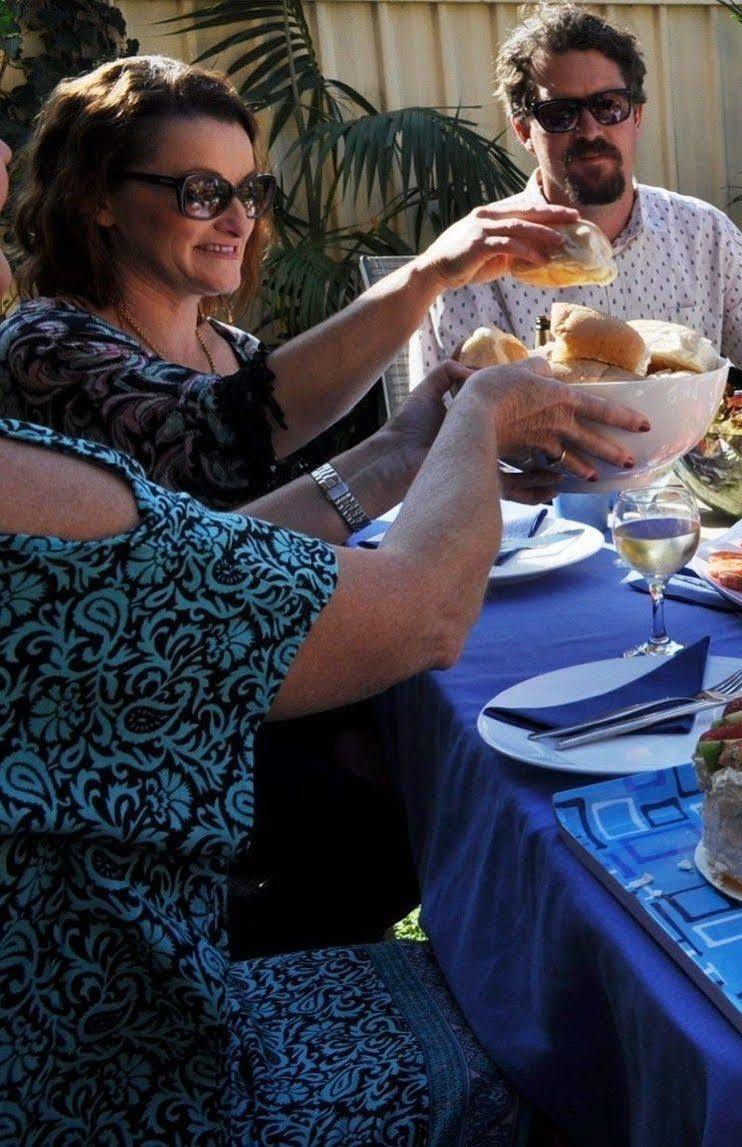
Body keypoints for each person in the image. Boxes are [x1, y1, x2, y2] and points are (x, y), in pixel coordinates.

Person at [0, 336, 646, 1138]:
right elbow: (426, 615)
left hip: (89, 1031)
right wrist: (482, 416)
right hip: (126, 1083)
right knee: (562, 1035)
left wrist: (403, 452)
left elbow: (199, 558)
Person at [0, 54, 589, 509]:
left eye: (251, 192)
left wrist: (429, 455)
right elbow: (216, 446)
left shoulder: (235, 351)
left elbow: (279, 532)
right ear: (98, 198)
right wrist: (427, 275)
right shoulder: (45, 346)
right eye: (202, 192)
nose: (240, 220)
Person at [408, 2, 742, 389]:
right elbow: (437, 429)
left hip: (688, 464)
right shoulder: (474, 259)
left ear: (636, 116)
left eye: (608, 106)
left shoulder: (704, 235)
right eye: (560, 114)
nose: (590, 130)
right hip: (540, 468)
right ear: (523, 132)